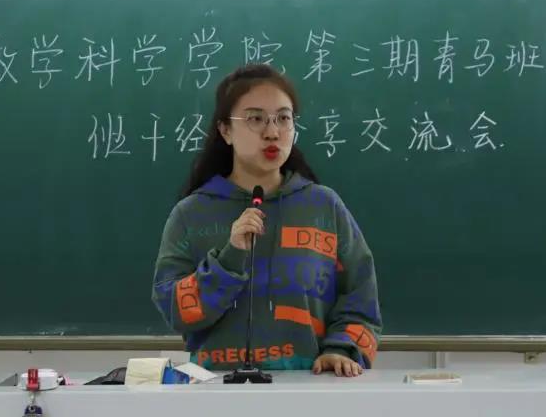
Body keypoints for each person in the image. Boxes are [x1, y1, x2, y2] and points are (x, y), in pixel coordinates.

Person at [152, 64, 382, 377]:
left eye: (283, 118)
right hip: (216, 389)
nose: (272, 132)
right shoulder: (191, 214)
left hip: (309, 387)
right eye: (255, 119)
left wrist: (341, 349)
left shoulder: (323, 206)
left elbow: (361, 296)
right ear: (225, 130)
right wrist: (229, 259)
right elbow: (174, 309)